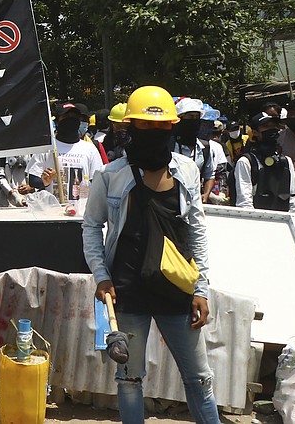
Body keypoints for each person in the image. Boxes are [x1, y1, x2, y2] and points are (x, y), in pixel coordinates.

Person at [82, 85, 218, 424]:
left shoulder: (186, 171)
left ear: (171, 127)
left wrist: (201, 288)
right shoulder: (110, 175)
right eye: (146, 125)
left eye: (162, 126)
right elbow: (90, 227)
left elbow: (197, 231)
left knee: (200, 378)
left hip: (177, 289)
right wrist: (101, 276)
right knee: (129, 380)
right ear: (130, 127)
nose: (155, 132)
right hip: (127, 291)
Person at [28, 101, 105, 203]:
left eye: (74, 117)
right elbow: (33, 180)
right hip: (52, 211)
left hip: (81, 212)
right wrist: (44, 181)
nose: (71, 120)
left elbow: (97, 182)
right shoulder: (47, 148)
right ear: (57, 122)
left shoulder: (90, 149)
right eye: (66, 116)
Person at [234, 113, 295, 212]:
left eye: (274, 126)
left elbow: (294, 200)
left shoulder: (286, 161)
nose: (272, 129)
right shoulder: (246, 162)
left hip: (283, 222)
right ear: (255, 132)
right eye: (266, 126)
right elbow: (244, 203)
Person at [172, 98, 215, 204]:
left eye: (197, 117)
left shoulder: (205, 147)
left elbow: (209, 175)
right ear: (180, 119)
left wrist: (206, 193)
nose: (194, 120)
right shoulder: (169, 145)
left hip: (195, 202)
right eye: (190, 117)